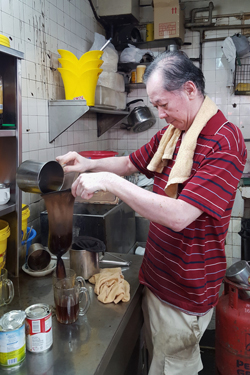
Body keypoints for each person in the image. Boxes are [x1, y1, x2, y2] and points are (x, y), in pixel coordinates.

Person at [56, 51, 247, 375]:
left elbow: (179, 215)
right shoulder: (175, 133)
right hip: (157, 279)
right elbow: (131, 162)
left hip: (185, 295)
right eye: (154, 105)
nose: (159, 114)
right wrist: (89, 164)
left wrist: (110, 182)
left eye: (162, 104)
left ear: (189, 90)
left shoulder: (224, 140)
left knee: (171, 368)